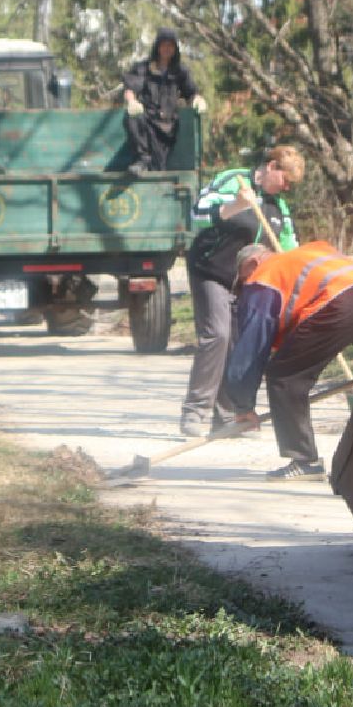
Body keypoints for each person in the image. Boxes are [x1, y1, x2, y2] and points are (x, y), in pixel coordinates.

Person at [221, 240, 353, 481]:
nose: (244, 289)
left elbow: (252, 345)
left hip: (345, 301)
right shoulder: (310, 254)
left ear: (252, 263)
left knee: (284, 376)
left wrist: (242, 404)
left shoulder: (262, 277)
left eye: (242, 282)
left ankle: (304, 460)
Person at [178, 145, 305, 436]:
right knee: (218, 335)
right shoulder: (233, 180)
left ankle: (229, 417)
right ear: (272, 166)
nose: (286, 188)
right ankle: (195, 412)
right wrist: (237, 204)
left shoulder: (278, 206)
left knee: (239, 344)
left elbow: (289, 247)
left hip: (247, 283)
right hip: (211, 272)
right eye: (285, 180)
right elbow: (197, 215)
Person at [122, 27, 205, 174]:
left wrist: (197, 99)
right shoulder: (144, 68)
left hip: (168, 128)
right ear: (158, 46)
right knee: (132, 118)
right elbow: (130, 89)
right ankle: (142, 159)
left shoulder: (180, 71)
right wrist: (131, 101)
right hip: (147, 122)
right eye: (164, 44)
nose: (167, 49)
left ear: (175, 48)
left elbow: (191, 93)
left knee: (158, 168)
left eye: (171, 45)